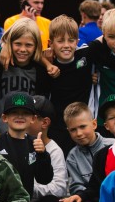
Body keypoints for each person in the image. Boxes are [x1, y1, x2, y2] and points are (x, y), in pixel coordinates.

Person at [36, 14, 94, 156]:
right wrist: (46, 62)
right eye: (60, 41)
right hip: (57, 128)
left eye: (71, 40)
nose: (66, 45)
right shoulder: (46, 67)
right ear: (50, 43)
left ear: (77, 42)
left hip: (83, 126)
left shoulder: (86, 55)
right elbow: (29, 52)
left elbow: (109, 39)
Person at [27, 96, 69, 202]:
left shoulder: (54, 150)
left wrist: (29, 189)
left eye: (31, 116)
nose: (24, 119)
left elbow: (59, 188)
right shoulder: (15, 143)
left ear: (44, 122)